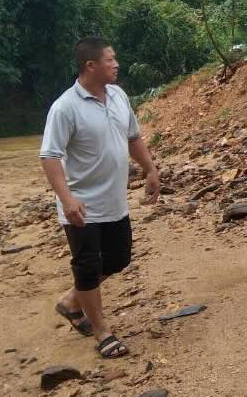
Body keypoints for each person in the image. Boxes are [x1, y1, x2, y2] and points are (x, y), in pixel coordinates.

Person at [39, 36, 160, 359]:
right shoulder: (65, 107)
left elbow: (132, 136)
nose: (116, 64)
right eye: (110, 59)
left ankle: (71, 301)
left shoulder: (119, 96)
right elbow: (50, 156)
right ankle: (102, 332)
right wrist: (66, 199)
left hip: (114, 201)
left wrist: (150, 169)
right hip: (80, 206)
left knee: (119, 258)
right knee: (88, 267)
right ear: (91, 66)